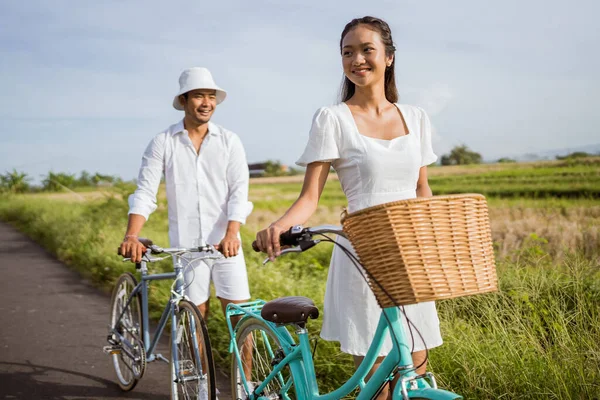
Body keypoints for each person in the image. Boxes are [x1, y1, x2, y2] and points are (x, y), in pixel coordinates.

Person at [255, 16, 443, 399]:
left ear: (389, 57)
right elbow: (310, 197)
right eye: (347, 52)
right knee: (376, 381)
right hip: (363, 252)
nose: (357, 59)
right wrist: (277, 227)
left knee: (416, 369)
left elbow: (422, 189)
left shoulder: (417, 118)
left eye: (367, 50)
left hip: (410, 255)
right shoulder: (333, 119)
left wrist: (435, 238)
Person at [120, 67, 252, 371]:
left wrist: (232, 232)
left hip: (225, 242)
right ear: (184, 100)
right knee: (195, 316)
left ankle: (247, 388)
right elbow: (145, 192)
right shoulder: (163, 142)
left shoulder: (229, 141)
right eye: (198, 96)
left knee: (241, 316)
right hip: (187, 248)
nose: (206, 102)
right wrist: (131, 235)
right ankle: (202, 384)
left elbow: (239, 192)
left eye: (211, 96)